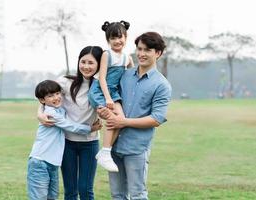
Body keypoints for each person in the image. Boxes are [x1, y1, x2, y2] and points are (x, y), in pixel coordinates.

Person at [98, 32, 172, 199]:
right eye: (139, 49)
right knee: (117, 195)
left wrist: (123, 122)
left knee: (138, 195)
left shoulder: (162, 85)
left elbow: (156, 119)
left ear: (158, 53)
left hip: (136, 148)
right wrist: (103, 111)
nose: (141, 54)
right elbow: (112, 101)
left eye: (147, 50)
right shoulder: (124, 75)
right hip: (114, 146)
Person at [38, 46, 103, 200]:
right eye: (83, 61)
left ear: (99, 65)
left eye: (91, 63)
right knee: (70, 190)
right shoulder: (65, 82)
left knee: (86, 189)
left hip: (90, 143)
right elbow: (44, 95)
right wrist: (40, 113)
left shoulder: (100, 86)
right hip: (67, 143)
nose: (86, 66)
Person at [27, 80, 102, 200]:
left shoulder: (59, 110)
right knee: (39, 197)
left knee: (52, 196)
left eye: (57, 93)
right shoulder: (51, 114)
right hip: (40, 162)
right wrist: (90, 128)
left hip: (53, 164)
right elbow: (71, 126)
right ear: (42, 100)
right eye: (50, 96)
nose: (56, 97)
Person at [88, 21, 134, 172]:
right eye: (113, 38)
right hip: (100, 91)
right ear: (108, 40)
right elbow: (101, 78)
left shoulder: (127, 58)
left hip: (114, 93)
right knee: (112, 118)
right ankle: (106, 152)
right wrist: (107, 98)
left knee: (120, 120)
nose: (117, 41)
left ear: (126, 38)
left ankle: (104, 152)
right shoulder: (107, 55)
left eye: (120, 37)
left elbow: (132, 76)